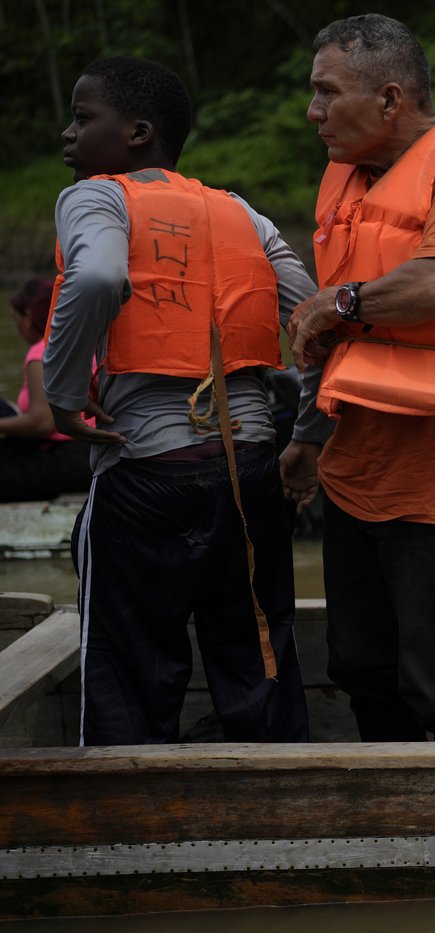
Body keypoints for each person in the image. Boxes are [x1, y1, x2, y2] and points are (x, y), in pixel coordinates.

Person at [42, 56, 310, 745]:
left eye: (81, 117)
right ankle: (279, 820)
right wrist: (306, 431)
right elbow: (312, 315)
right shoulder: (240, 210)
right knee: (258, 660)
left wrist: (63, 399)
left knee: (126, 670)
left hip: (146, 475)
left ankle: (129, 835)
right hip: (250, 469)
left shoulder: (95, 197)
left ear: (137, 133)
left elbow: (97, 274)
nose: (68, 134)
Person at [284, 14, 435, 742]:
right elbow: (326, 342)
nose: (313, 111)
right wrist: (304, 439)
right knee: (362, 666)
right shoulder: (343, 176)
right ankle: (391, 822)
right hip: (355, 468)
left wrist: (342, 298)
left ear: (390, 99)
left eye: (328, 93)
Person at [0, 277, 92, 501]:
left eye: (16, 318)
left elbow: (43, 423)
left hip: (69, 459)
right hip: (93, 452)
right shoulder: (82, 342)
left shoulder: (40, 353)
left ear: (28, 316)